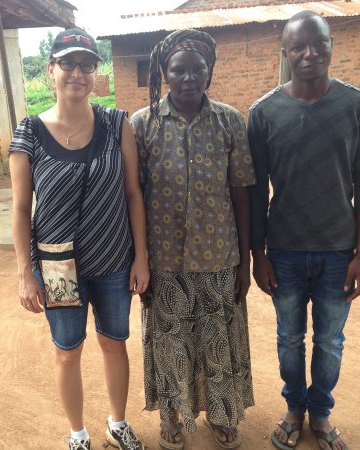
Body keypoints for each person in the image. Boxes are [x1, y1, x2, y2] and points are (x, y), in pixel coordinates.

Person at [8, 28, 149, 450]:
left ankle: (117, 423)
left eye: (87, 64)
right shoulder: (30, 132)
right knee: (67, 351)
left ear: (96, 73)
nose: (77, 72)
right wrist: (23, 273)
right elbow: (19, 209)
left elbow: (133, 193)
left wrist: (141, 257)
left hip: (113, 261)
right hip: (56, 267)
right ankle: (78, 433)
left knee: (114, 343)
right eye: (67, 63)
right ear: (50, 69)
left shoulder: (116, 123)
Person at [247, 11, 360, 450]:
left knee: (329, 340)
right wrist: (258, 253)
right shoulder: (263, 113)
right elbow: (253, 190)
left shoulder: (356, 106)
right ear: (285, 52)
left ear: (331, 47)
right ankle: (293, 409)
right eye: (298, 47)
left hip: (338, 253)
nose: (309, 54)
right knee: (289, 338)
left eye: (318, 44)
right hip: (283, 250)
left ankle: (320, 414)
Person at [130, 29, 256, 450]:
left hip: (219, 257)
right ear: (164, 72)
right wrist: (140, 260)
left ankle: (222, 418)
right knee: (169, 345)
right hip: (164, 262)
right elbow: (134, 196)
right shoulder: (142, 123)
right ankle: (173, 420)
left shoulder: (229, 120)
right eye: (178, 70)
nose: (187, 78)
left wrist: (246, 262)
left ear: (209, 72)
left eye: (196, 69)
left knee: (218, 343)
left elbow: (241, 192)